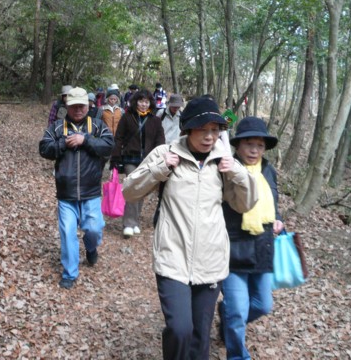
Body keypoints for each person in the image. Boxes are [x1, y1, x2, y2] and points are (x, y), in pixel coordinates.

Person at [122, 96, 256, 360]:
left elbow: (246, 204)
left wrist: (239, 173)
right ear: (187, 129)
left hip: (211, 261)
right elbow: (130, 191)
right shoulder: (165, 154)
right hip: (173, 257)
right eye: (202, 129)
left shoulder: (223, 161)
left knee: (200, 336)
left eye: (215, 130)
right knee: (180, 329)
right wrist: (161, 168)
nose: (209, 136)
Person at [219, 116, 284, 359]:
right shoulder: (226, 169)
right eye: (249, 144)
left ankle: (226, 319)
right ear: (238, 145)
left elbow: (273, 202)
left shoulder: (268, 170)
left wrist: (278, 218)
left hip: (263, 246)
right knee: (237, 311)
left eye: (259, 145)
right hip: (234, 247)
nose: (254, 150)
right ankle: (238, 355)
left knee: (262, 305)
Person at [39, 87, 115, 289]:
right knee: (67, 232)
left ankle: (91, 248)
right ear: (67, 106)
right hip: (66, 192)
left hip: (91, 191)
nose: (78, 109)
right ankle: (70, 273)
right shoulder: (57, 127)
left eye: (82, 105)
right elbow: (44, 148)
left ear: (88, 106)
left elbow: (109, 146)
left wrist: (86, 140)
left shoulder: (97, 126)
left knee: (94, 228)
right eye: (74, 106)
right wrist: (63, 144)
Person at [110, 89, 165, 238]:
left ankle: (135, 220)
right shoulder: (127, 117)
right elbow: (119, 138)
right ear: (136, 102)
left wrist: (159, 157)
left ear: (150, 103)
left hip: (148, 160)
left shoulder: (155, 120)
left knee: (142, 189)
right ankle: (128, 223)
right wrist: (115, 158)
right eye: (141, 101)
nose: (143, 104)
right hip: (130, 158)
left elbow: (160, 140)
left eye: (146, 102)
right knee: (133, 186)